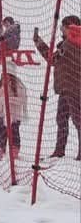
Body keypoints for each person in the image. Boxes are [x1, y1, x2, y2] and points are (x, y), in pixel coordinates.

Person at [32, 16, 81, 156]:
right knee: (63, 119)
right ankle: (60, 150)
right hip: (68, 88)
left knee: (76, 120)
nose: (61, 30)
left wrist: (39, 43)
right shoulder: (70, 43)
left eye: (63, 27)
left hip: (71, 88)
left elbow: (52, 59)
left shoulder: (69, 44)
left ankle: (65, 151)